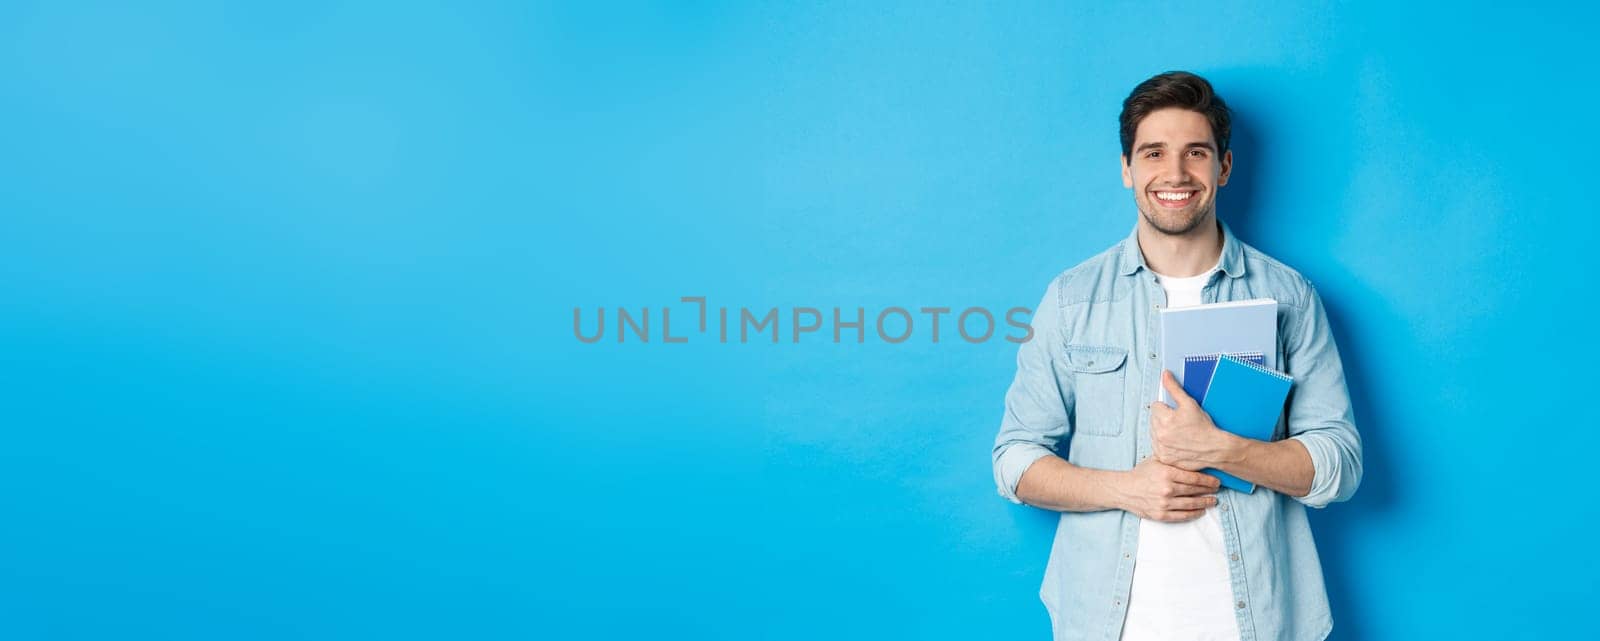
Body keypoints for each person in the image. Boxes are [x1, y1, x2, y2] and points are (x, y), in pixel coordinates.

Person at [990, 71, 1363, 641]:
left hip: (1257, 620)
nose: (1175, 174)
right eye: (1153, 153)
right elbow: (1014, 461)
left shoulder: (1289, 297)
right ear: (1127, 170)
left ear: (1224, 167)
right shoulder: (1072, 300)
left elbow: (1339, 464)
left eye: (1196, 152)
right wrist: (1125, 489)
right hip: (1106, 622)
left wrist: (1226, 450)